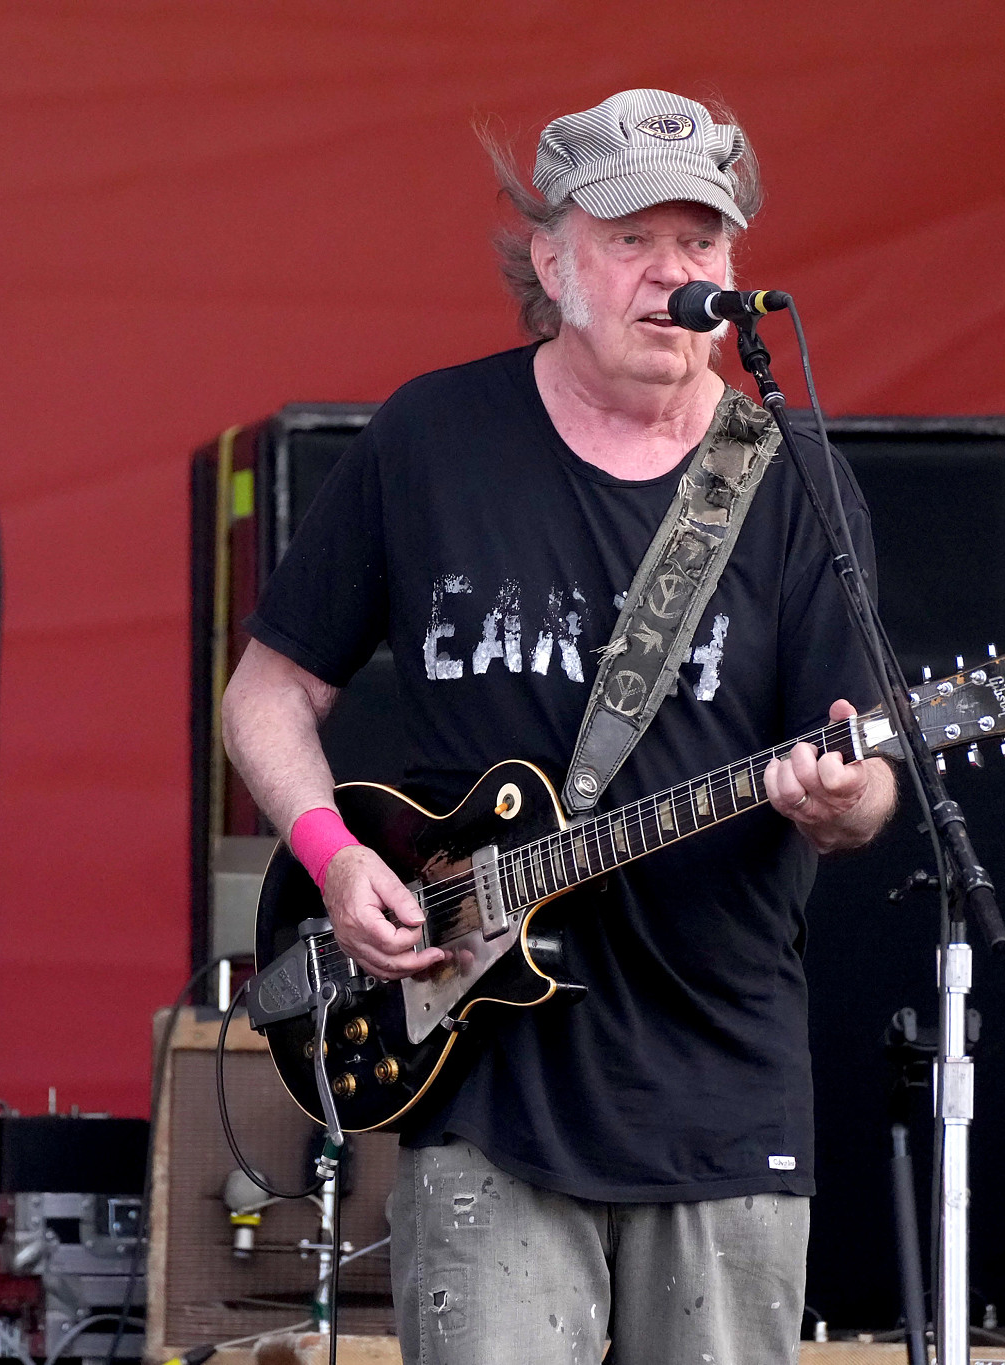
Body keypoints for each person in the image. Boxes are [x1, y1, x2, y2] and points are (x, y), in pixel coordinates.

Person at [222, 87, 897, 1365]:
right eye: (632, 239)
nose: (671, 274)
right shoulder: (434, 437)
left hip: (721, 1084)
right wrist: (334, 856)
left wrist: (843, 800)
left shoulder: (794, 476)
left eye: (700, 241)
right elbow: (267, 692)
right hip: (488, 1088)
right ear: (552, 261)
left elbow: (861, 779)